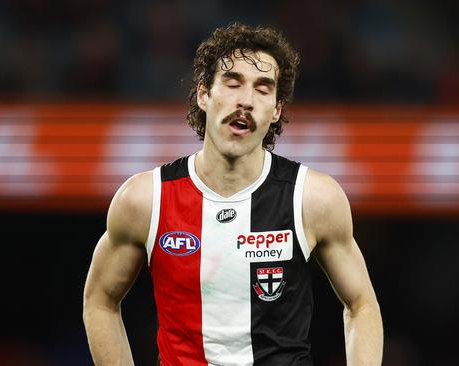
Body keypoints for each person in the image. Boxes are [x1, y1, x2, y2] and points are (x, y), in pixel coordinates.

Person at [83, 23, 383, 365]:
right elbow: (100, 300)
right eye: (233, 82)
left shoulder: (313, 199)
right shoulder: (144, 200)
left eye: (263, 88)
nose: (246, 100)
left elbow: (362, 304)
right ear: (203, 94)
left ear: (277, 110)